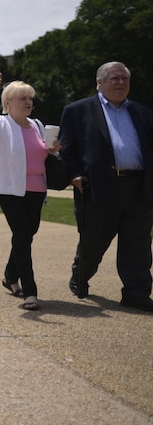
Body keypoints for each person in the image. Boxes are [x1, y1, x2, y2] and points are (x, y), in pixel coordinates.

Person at [60, 62, 153, 311]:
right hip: (98, 187)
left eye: (125, 78)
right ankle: (81, 276)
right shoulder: (77, 111)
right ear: (100, 83)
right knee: (94, 241)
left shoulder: (143, 113)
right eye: (115, 78)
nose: (121, 83)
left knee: (139, 244)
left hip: (138, 187)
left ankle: (137, 292)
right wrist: (75, 174)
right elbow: (68, 149)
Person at [0, 71, 55, 310]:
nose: (29, 102)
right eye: (23, 98)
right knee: (22, 236)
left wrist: (54, 149)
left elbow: (44, 155)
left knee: (27, 234)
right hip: (9, 189)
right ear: (8, 102)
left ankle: (9, 276)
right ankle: (30, 292)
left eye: (30, 98)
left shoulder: (37, 125)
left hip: (37, 189)